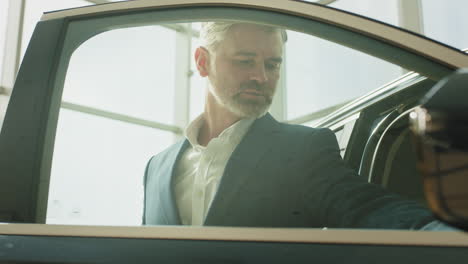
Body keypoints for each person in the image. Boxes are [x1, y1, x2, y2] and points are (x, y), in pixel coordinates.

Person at [142, 22, 437, 229]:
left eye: (272, 65)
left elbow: (366, 206)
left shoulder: (303, 150)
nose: (261, 77)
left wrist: (441, 234)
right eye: (245, 61)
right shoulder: (157, 168)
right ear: (203, 62)